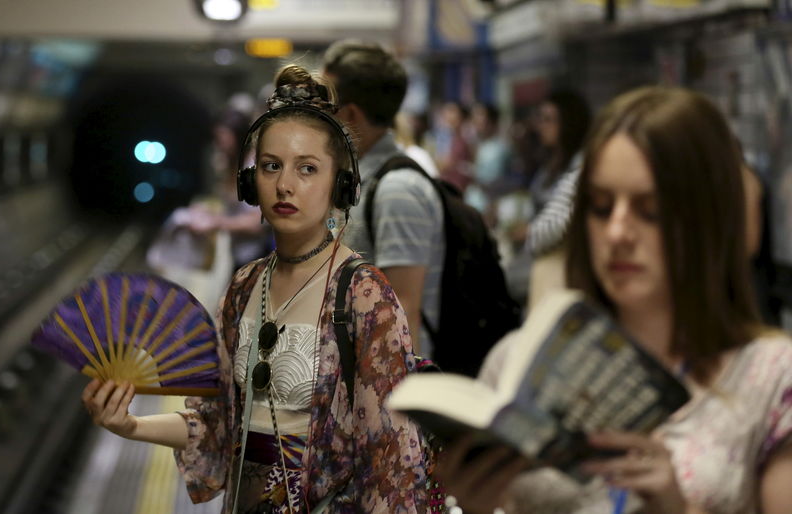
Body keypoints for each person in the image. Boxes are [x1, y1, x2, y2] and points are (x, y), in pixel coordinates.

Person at [82, 64, 429, 513]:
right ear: (250, 182)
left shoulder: (364, 296)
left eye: (307, 168)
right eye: (270, 166)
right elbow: (216, 426)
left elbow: (394, 457)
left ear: (340, 184)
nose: (285, 185)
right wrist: (130, 425)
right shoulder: (245, 287)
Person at [435, 86, 792, 514]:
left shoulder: (769, 376)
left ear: (706, 220)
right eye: (601, 208)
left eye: (650, 211)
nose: (618, 233)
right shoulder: (516, 365)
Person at [322, 39, 445, 358]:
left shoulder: (396, 191)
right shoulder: (360, 180)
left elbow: (404, 312)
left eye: (326, 106)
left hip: (386, 391)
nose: (318, 116)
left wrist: (399, 406)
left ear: (349, 113)